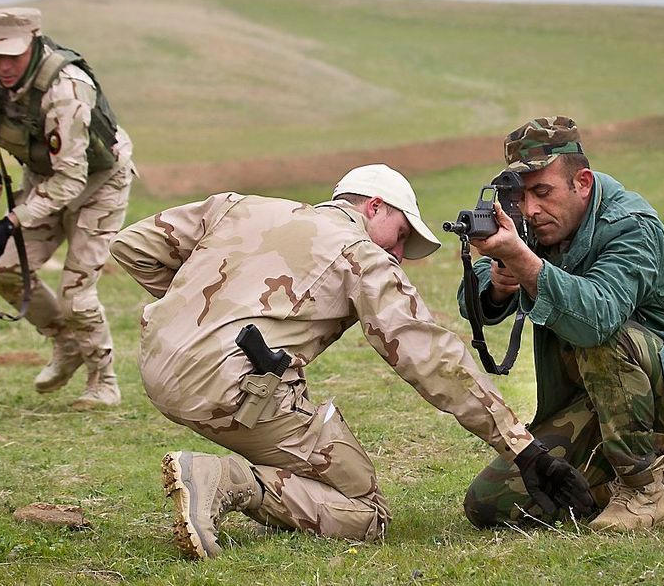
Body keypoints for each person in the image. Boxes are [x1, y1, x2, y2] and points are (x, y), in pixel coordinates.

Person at [109, 163, 593, 559]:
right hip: (229, 393)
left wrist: (194, 313)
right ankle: (227, 481)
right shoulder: (360, 255)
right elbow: (430, 358)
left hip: (155, 368)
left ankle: (245, 481)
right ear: (374, 206)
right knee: (365, 513)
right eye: (401, 236)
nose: (399, 254)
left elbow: (131, 246)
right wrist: (524, 451)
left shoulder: (242, 207)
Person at [458, 116, 664, 532]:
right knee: (490, 505)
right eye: (521, 196)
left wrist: (523, 262)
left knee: (605, 335)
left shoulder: (630, 225)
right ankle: (613, 475)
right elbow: (476, 294)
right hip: (596, 397)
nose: (532, 208)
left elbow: (597, 320)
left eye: (543, 191)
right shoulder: (540, 223)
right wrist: (499, 283)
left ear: (584, 183)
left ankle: (641, 488)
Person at [0, 8, 136, 408]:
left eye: (12, 56)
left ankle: (103, 382)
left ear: (34, 42)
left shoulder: (67, 89)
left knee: (76, 295)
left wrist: (14, 217)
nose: (2, 66)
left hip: (98, 185)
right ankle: (66, 343)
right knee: (4, 269)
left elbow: (71, 178)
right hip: (43, 180)